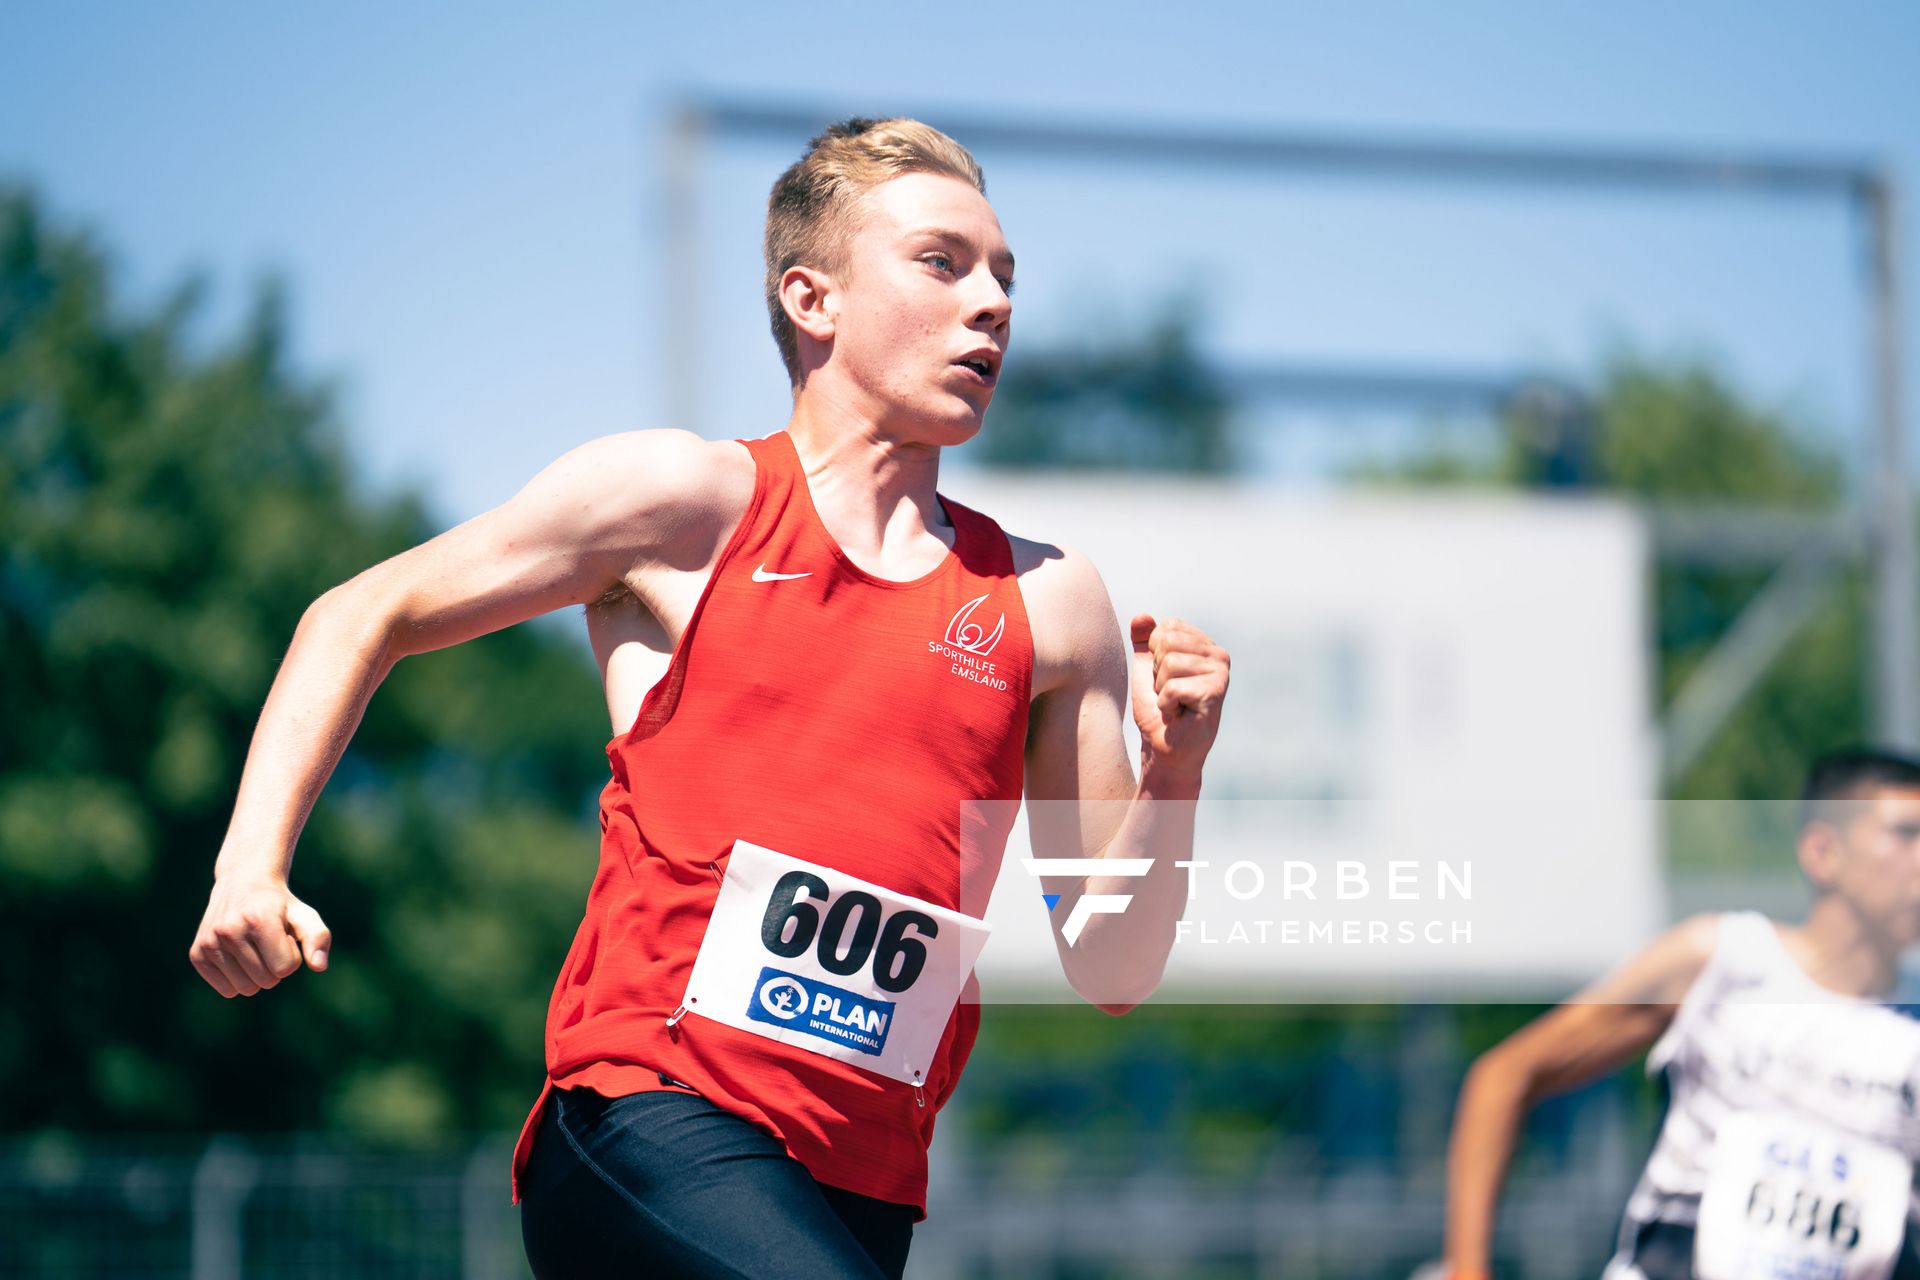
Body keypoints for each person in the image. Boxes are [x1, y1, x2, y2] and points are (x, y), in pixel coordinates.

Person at [187, 117, 1231, 1279]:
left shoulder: (1053, 602)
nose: (991, 302)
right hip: (647, 1119)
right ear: (812, 298)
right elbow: (357, 612)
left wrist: (1175, 771)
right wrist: (249, 867)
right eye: (943, 263)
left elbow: (1114, 963)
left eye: (1004, 278)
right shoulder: (689, 504)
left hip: (862, 1177)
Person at [1438, 748, 1920, 1280]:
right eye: (1906, 833)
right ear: (1823, 853)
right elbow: (1504, 1075)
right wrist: (1467, 1270)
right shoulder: (1724, 961)